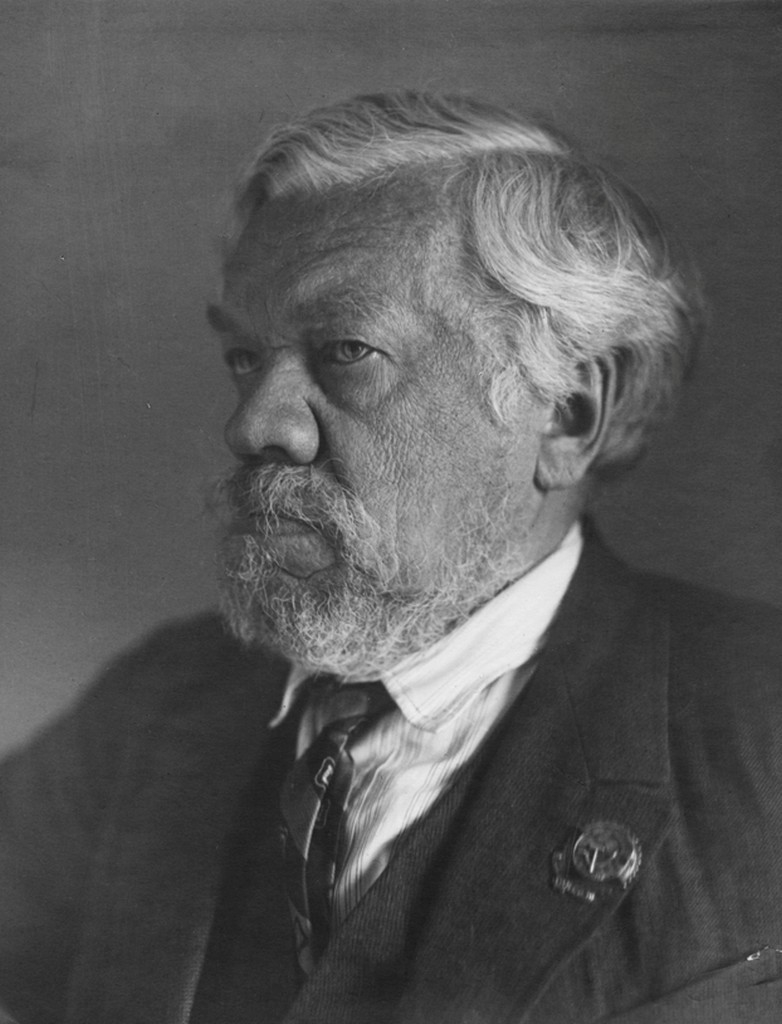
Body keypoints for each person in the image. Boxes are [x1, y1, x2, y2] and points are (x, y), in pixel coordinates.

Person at [1, 91, 781, 1024]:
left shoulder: (760, 734)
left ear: (570, 413)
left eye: (347, 349)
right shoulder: (156, 709)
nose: (254, 425)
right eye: (245, 358)